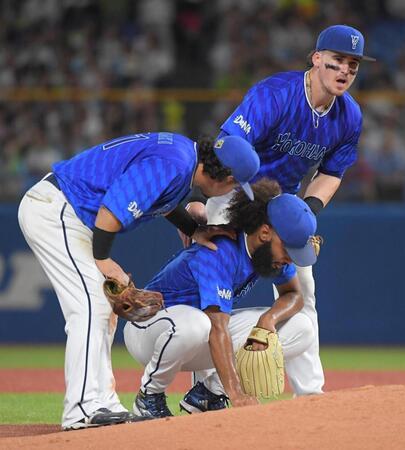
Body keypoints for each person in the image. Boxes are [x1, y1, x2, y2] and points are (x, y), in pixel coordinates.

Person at [17, 131, 259, 430]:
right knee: (91, 306)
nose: (231, 189)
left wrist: (192, 229)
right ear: (222, 172)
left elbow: (161, 200)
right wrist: (104, 261)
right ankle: (81, 408)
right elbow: (110, 212)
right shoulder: (174, 162)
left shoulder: (183, 157)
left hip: (70, 212)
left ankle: (101, 401)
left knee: (102, 310)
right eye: (234, 182)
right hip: (59, 210)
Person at [185, 24, 375, 397]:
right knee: (217, 288)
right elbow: (229, 145)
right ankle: (206, 391)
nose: (345, 71)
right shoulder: (275, 94)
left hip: (284, 203)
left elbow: (331, 174)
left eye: (352, 65)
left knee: (304, 290)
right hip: (235, 191)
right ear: (317, 58)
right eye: (337, 60)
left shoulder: (349, 116)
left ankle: (311, 392)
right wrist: (210, 200)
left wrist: (304, 213)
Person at [124, 178, 321, 418]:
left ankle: (208, 394)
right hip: (149, 329)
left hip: (198, 337)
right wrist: (236, 393)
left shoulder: (274, 254)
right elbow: (217, 328)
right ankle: (149, 396)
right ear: (265, 233)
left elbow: (293, 295)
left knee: (301, 327)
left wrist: (268, 321)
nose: (289, 260)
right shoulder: (219, 250)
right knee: (198, 324)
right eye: (289, 251)